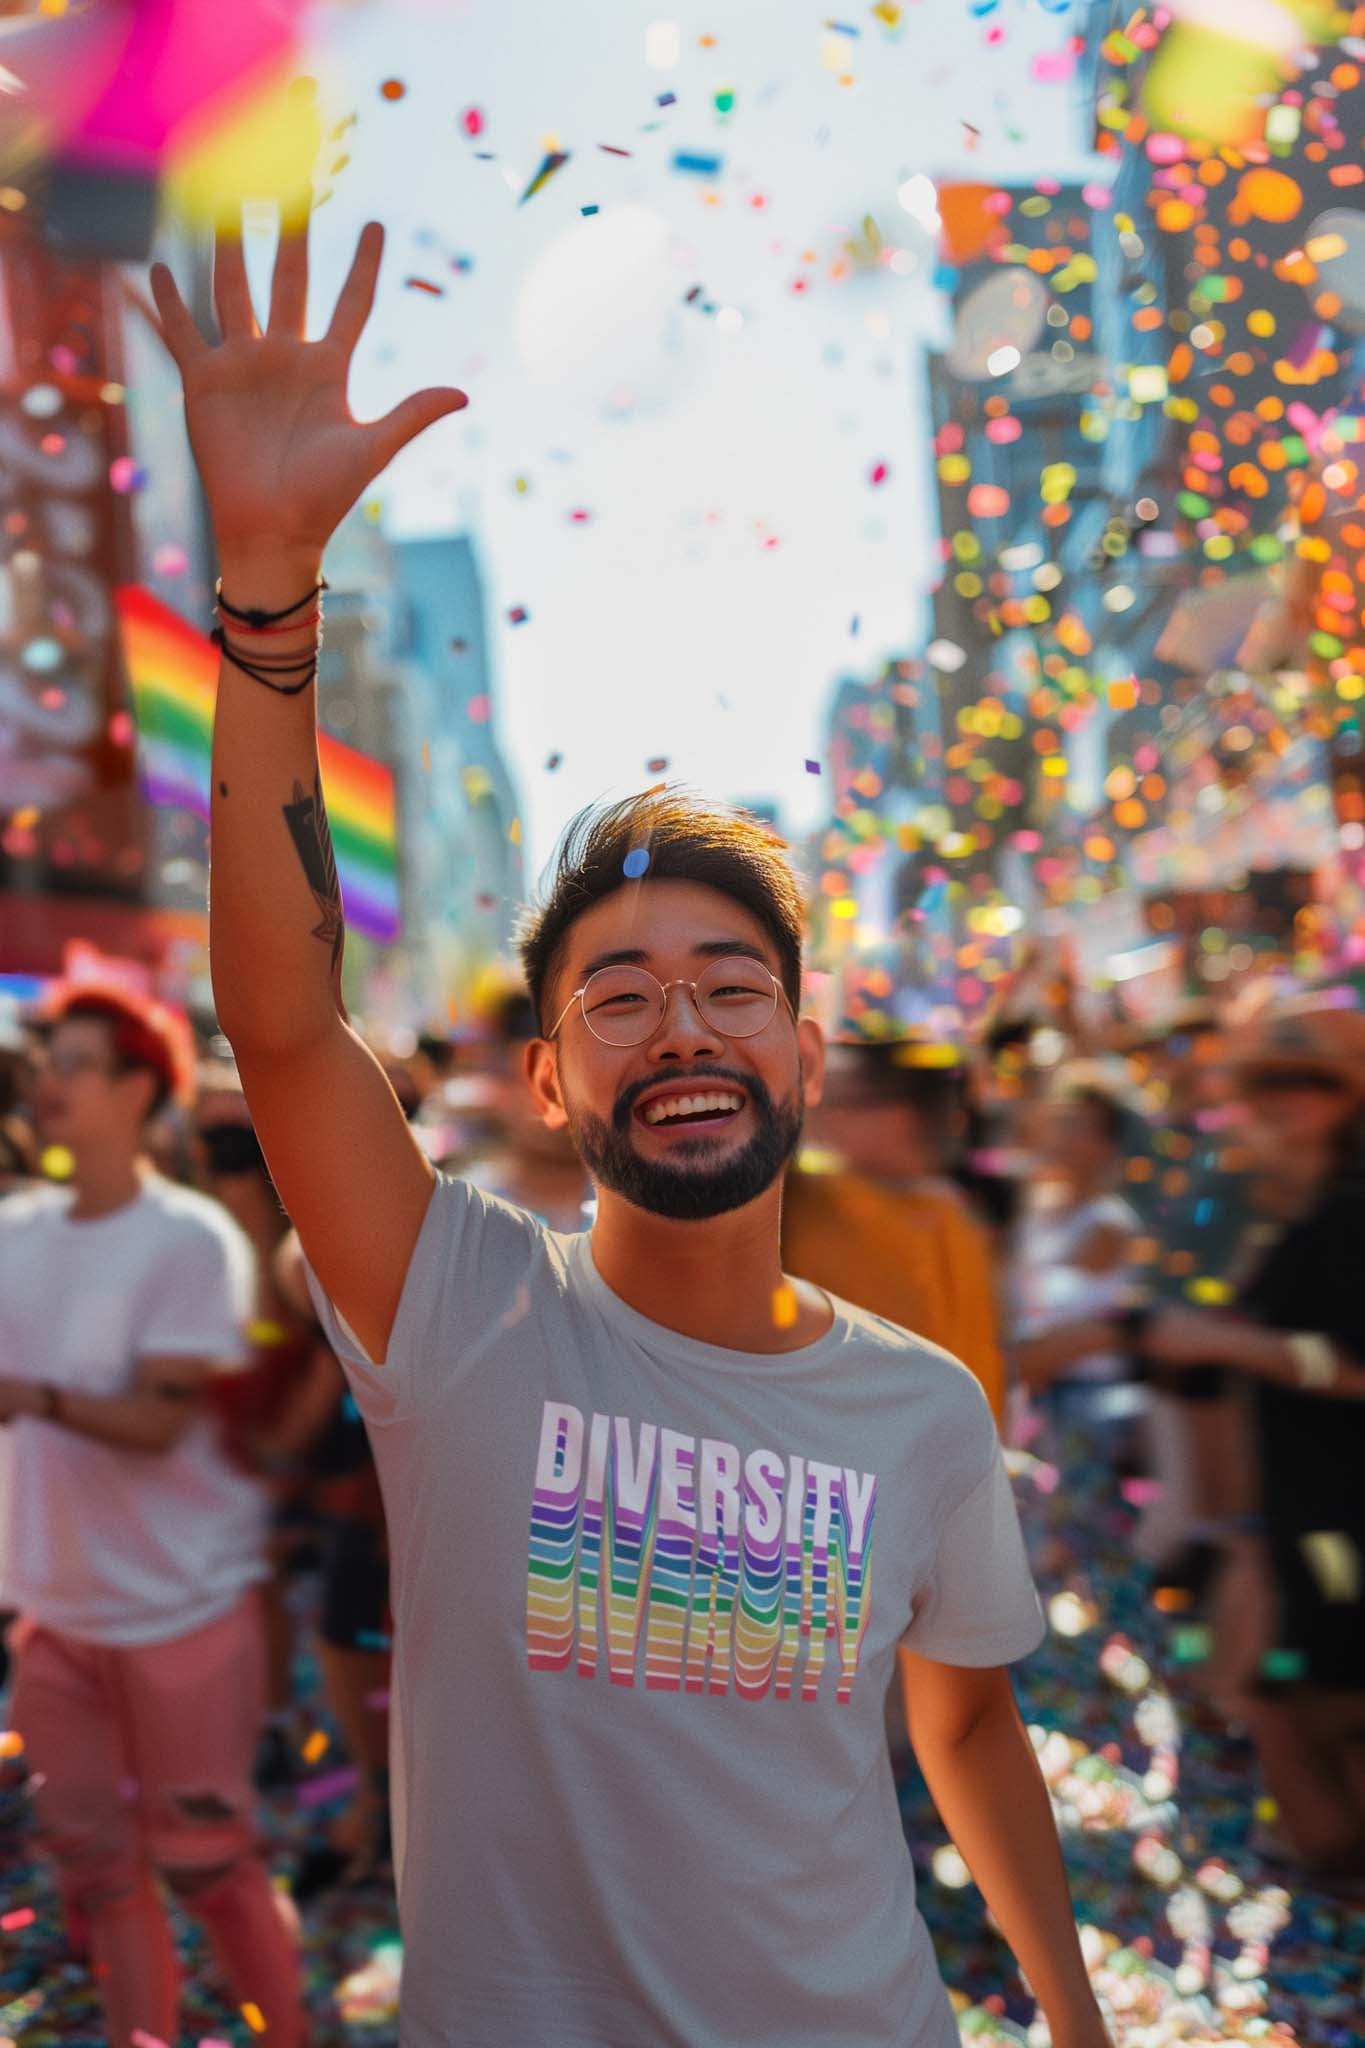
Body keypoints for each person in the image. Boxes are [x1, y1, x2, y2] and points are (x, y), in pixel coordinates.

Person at [148, 209, 1112, 2048]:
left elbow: (967, 1719)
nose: (682, 1019)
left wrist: (1072, 2018)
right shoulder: (466, 1314)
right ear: (553, 1083)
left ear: (808, 1056)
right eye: (618, 992)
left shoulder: (923, 1408)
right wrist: (268, 590)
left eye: (732, 983)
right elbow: (281, 1023)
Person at [0, 986, 307, 2048]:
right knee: (97, 1864)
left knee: (207, 1864)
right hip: (53, 1608)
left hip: (181, 1607)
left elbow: (160, 1420)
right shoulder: (14, 1230)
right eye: (49, 1060)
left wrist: (34, 1396)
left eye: (77, 1061)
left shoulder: (189, 1237)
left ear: (140, 1088)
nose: (51, 1079)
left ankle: (285, 2033)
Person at [1139, 1000, 1365, 1880]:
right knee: (1284, 1694)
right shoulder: (1289, 1214)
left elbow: (1349, 1364)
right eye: (1264, 1084)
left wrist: (1226, 1341)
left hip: (1344, 1521)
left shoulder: (1348, 1215)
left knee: (1322, 1707)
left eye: (1306, 1085)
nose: (1279, 1101)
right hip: (1304, 1518)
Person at [782, 1040, 1005, 1422]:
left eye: (834, 1099)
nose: (812, 1112)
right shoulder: (956, 1216)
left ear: (898, 1114)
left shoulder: (835, 1202)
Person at [1008, 1080, 1141, 1469]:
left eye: (1079, 1127)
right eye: (1059, 1123)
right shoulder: (1030, 1211)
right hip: (1029, 1395)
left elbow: (1051, 1313)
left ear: (1108, 1145)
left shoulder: (1108, 1225)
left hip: (1080, 1405)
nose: (1062, 1138)